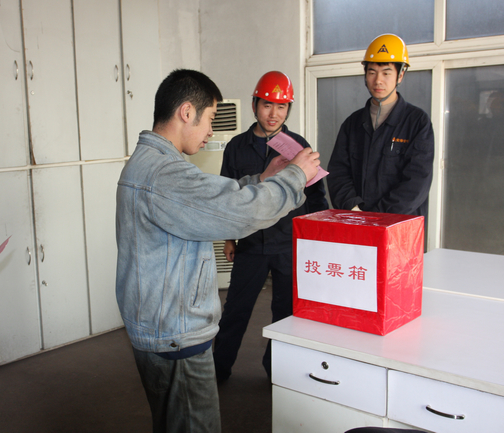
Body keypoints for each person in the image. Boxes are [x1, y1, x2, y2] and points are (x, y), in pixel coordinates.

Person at [115, 69, 321, 432]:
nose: (211, 130)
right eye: (210, 118)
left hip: (159, 327)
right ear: (186, 112)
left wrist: (262, 179)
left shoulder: (152, 164)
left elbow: (214, 194)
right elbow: (239, 211)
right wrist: (294, 177)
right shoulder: (165, 175)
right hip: (176, 334)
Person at [213, 71, 328, 382]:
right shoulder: (236, 146)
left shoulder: (299, 147)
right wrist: (229, 238)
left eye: (281, 106)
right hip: (250, 242)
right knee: (236, 309)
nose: (274, 113)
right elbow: (227, 194)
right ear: (254, 105)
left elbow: (316, 196)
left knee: (286, 314)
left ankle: (277, 370)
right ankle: (218, 369)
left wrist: (317, 240)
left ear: (288, 109)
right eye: (267, 105)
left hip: (288, 243)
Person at [327, 34, 434, 227]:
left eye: (386, 73)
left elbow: (417, 182)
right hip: (358, 223)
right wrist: (354, 209)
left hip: (399, 227)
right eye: (372, 72)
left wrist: (377, 217)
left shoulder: (417, 122)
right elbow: (338, 173)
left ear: (400, 75)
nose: (378, 80)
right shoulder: (352, 124)